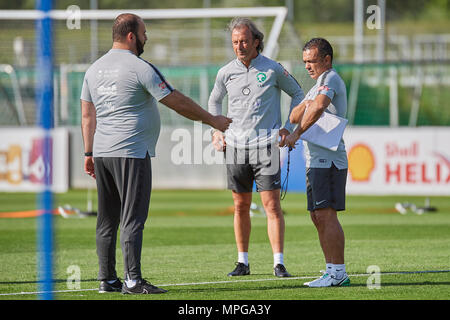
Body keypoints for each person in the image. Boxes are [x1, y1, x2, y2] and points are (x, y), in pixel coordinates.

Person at [80, 13, 232, 295]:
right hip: (131, 152)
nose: (146, 37)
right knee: (132, 218)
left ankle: (107, 280)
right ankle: (133, 281)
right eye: (144, 33)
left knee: (107, 219)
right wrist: (213, 120)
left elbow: (88, 114)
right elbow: (176, 101)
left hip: (102, 153)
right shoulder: (139, 67)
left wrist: (88, 152)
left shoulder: (93, 69)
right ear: (130, 36)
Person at [208, 17, 304, 277]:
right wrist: (217, 131)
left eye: (244, 41)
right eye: (235, 42)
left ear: (256, 42)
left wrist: (288, 126)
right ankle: (242, 262)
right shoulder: (225, 72)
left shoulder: (273, 69)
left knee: (272, 206)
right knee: (240, 207)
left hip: (265, 146)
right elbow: (214, 102)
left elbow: (298, 94)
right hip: (236, 147)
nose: (239, 46)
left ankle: (279, 263)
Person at [284, 38, 350, 287]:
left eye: (312, 61)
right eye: (305, 62)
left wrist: (296, 133)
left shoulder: (330, 78)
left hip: (329, 159)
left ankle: (338, 273)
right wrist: (308, 106)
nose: (308, 66)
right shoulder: (316, 85)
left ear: (327, 60)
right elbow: (294, 114)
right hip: (315, 159)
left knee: (326, 214)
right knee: (317, 215)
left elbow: (318, 108)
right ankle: (331, 269)